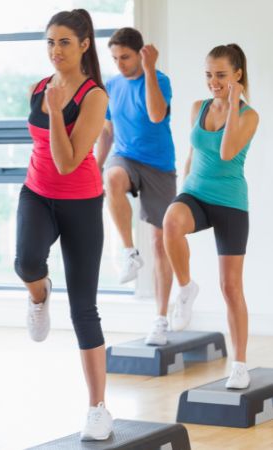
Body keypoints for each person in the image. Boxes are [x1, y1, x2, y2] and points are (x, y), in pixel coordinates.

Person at [15, 9, 112, 441]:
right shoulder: (39, 88)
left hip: (81, 204)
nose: (56, 51)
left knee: (83, 310)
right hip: (37, 193)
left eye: (65, 43)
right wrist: (49, 107)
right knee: (26, 263)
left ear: (85, 44)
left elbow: (69, 160)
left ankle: (97, 409)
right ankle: (39, 296)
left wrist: (56, 113)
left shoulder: (94, 96)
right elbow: (41, 150)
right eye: (50, 43)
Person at [163, 44, 258, 389]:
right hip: (197, 193)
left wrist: (232, 105)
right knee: (171, 222)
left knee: (230, 287)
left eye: (220, 75)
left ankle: (240, 363)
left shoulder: (249, 116)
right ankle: (186, 288)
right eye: (208, 74)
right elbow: (193, 152)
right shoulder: (196, 108)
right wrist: (182, 189)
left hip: (231, 202)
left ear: (237, 75)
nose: (213, 82)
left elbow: (227, 150)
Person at [96, 27, 177, 345]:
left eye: (125, 57)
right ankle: (130, 253)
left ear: (140, 53)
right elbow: (107, 132)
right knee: (111, 179)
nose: (119, 64)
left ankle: (160, 319)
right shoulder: (112, 85)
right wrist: (96, 166)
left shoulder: (159, 79)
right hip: (125, 157)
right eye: (114, 58)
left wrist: (149, 70)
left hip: (158, 165)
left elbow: (157, 115)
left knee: (161, 242)